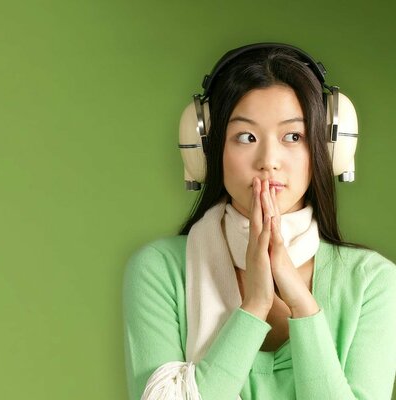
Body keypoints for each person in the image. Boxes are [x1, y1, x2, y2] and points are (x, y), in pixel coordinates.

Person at [122, 43, 396, 400]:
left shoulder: (373, 282)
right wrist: (253, 307)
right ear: (207, 150)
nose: (269, 160)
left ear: (327, 151)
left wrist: (304, 307)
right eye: (246, 137)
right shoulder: (160, 269)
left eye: (293, 136)